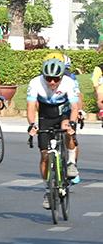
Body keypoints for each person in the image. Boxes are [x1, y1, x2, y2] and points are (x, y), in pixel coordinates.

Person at [27, 56, 83, 198]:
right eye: (48, 78)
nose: (52, 82)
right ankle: (48, 188)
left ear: (61, 77)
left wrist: (72, 123)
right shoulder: (35, 83)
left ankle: (70, 163)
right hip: (45, 116)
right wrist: (32, 124)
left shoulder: (69, 83)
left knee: (67, 129)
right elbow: (31, 107)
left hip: (64, 113)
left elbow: (75, 107)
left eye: (56, 79)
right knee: (44, 155)